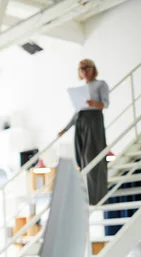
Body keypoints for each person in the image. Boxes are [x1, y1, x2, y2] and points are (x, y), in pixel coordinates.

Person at [59, 59, 110, 205]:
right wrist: (66, 128)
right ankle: (86, 195)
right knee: (81, 158)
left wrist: (95, 103)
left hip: (93, 121)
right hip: (81, 121)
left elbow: (105, 104)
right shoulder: (81, 89)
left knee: (93, 156)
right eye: (81, 69)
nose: (84, 71)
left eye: (87, 68)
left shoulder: (101, 84)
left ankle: (97, 197)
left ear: (93, 69)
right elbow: (77, 112)